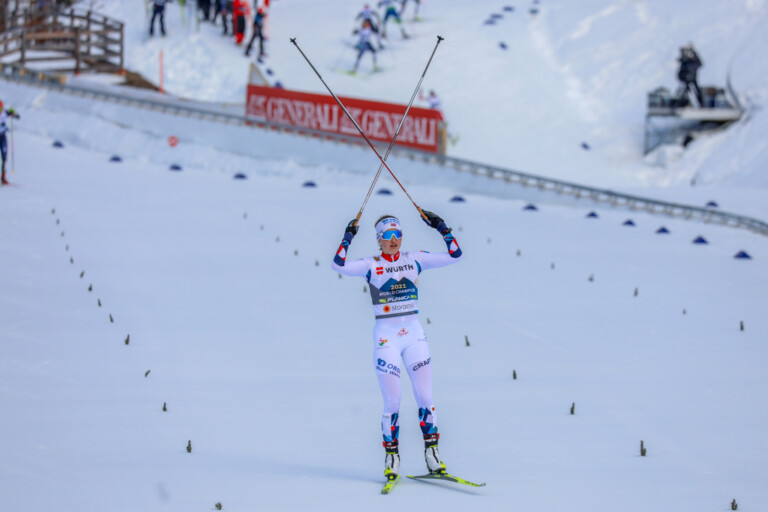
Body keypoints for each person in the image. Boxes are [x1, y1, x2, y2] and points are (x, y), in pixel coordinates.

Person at [330, 211, 463, 483]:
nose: (394, 240)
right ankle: (392, 459)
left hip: (414, 336)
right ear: (379, 239)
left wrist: (441, 227)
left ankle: (433, 456)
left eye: (398, 234)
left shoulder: (414, 259)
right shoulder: (372, 264)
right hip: (386, 339)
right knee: (393, 401)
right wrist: (347, 237)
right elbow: (338, 265)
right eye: (388, 235)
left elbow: (455, 255)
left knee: (425, 397)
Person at [0, 100, 20, 186]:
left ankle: (3, 178)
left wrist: (13, 113)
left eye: (1, 108)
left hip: (2, 137)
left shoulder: (4, 113)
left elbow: (15, 115)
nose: (0, 110)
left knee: (4, 157)